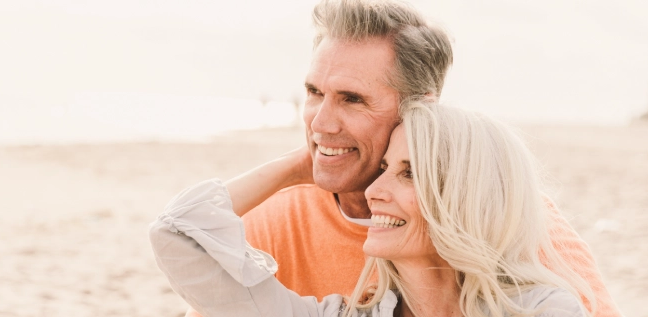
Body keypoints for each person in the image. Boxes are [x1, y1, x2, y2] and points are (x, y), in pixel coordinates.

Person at [182, 0, 621, 316]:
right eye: (315, 93)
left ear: (421, 109)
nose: (321, 122)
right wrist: (299, 165)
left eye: (352, 99)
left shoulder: (501, 213)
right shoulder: (274, 216)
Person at [150, 100, 594, 316]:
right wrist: (301, 166)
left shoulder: (542, 310)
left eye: (409, 172)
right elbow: (178, 233)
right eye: (382, 167)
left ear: (464, 195)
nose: (375, 189)